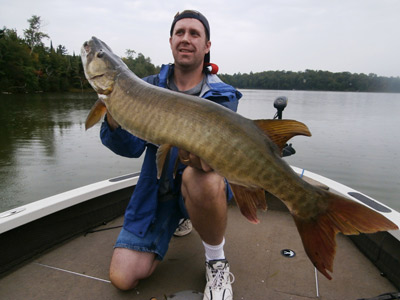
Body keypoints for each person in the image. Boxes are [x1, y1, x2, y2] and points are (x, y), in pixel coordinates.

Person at [100, 10, 242, 300]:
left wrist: (204, 159)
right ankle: (178, 218)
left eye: (194, 33)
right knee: (122, 277)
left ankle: (216, 259)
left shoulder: (222, 95)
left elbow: (216, 160)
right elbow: (131, 148)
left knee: (203, 177)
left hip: (198, 186)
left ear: (207, 46)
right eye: (180, 33)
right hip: (157, 192)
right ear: (170, 41)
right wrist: (114, 110)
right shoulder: (145, 86)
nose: (186, 39)